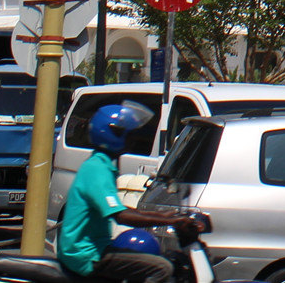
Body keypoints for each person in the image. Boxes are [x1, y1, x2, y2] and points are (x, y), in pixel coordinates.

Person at [57, 102, 200, 281]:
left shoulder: (99, 164)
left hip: (90, 250)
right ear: (112, 134)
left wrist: (165, 216)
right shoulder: (97, 169)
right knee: (162, 268)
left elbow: (118, 208)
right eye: (128, 134)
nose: (133, 139)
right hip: (86, 255)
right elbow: (121, 216)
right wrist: (172, 220)